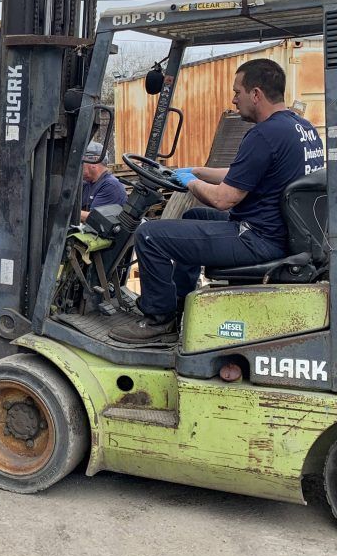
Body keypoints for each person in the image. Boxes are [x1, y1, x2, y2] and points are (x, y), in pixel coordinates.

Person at [110, 58, 325, 345]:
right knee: (193, 218)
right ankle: (180, 304)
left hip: (258, 239)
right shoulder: (300, 128)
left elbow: (224, 199)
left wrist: (190, 184)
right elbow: (243, 174)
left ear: (256, 94)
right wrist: (196, 170)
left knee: (150, 234)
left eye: (238, 92)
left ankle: (158, 320)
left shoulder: (263, 135)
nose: (234, 100)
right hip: (281, 232)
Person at [78, 141, 127, 223]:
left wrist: (66, 211)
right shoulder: (87, 184)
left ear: (93, 161)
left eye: (81, 162)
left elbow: (95, 219)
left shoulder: (111, 186)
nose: (79, 167)